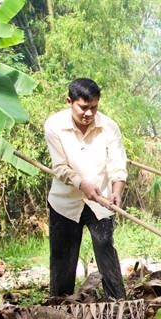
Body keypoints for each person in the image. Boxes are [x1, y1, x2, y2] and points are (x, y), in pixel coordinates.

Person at [44, 78, 127, 299]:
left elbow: (118, 165)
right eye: (83, 107)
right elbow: (60, 167)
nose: (89, 113)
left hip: (101, 201)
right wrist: (82, 184)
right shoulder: (54, 125)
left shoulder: (109, 126)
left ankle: (118, 305)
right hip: (65, 203)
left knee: (105, 249)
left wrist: (117, 191)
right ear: (69, 101)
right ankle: (60, 306)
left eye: (94, 107)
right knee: (62, 257)